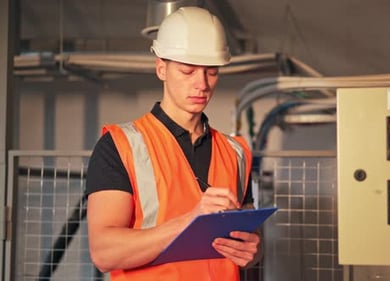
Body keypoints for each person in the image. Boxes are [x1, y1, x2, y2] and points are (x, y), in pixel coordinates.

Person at [85, 6, 261, 281]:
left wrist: (253, 251)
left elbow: (250, 240)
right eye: (188, 71)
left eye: (211, 71)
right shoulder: (120, 146)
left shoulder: (236, 153)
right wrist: (189, 222)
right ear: (161, 69)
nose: (202, 84)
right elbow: (104, 253)